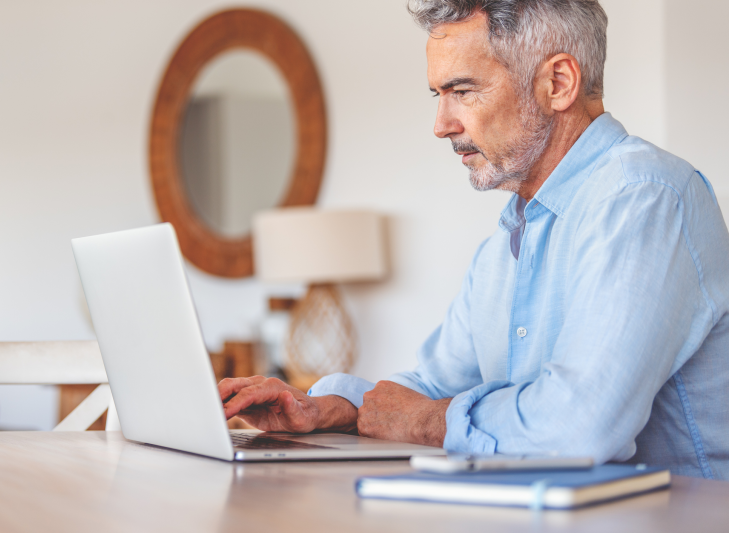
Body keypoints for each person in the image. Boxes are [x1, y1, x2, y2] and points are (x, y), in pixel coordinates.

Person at [219, 0, 729, 479]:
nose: (441, 125)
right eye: (437, 95)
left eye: (462, 91)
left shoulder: (646, 198)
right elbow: (434, 387)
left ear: (558, 82)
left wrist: (424, 421)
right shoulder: (509, 239)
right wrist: (327, 408)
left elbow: (580, 428)